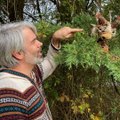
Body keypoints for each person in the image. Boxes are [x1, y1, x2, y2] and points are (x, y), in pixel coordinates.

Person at [0, 21, 83, 120]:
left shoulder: (32, 72)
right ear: (18, 53)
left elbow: (50, 62)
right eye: (33, 41)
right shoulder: (8, 94)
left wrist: (55, 39)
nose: (40, 43)